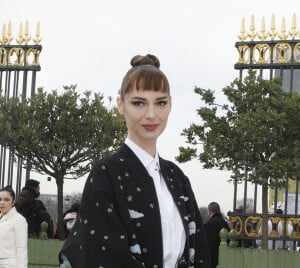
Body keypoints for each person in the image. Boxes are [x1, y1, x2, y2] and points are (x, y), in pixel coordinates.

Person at [60, 54, 210, 268]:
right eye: (139, 103)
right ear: (121, 104)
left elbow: (201, 250)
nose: (151, 114)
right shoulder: (107, 174)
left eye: (160, 103)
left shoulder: (177, 177)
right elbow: (99, 254)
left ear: (170, 105)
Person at [0, 185, 28, 268]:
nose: (2, 202)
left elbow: (21, 249)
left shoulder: (19, 220)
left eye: (6, 200)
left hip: (9, 265)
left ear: (13, 201)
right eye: (0, 199)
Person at [205, 202, 230, 268]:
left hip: (214, 260)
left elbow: (209, 244)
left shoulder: (210, 224)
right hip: (225, 258)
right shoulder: (225, 223)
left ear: (209, 211)